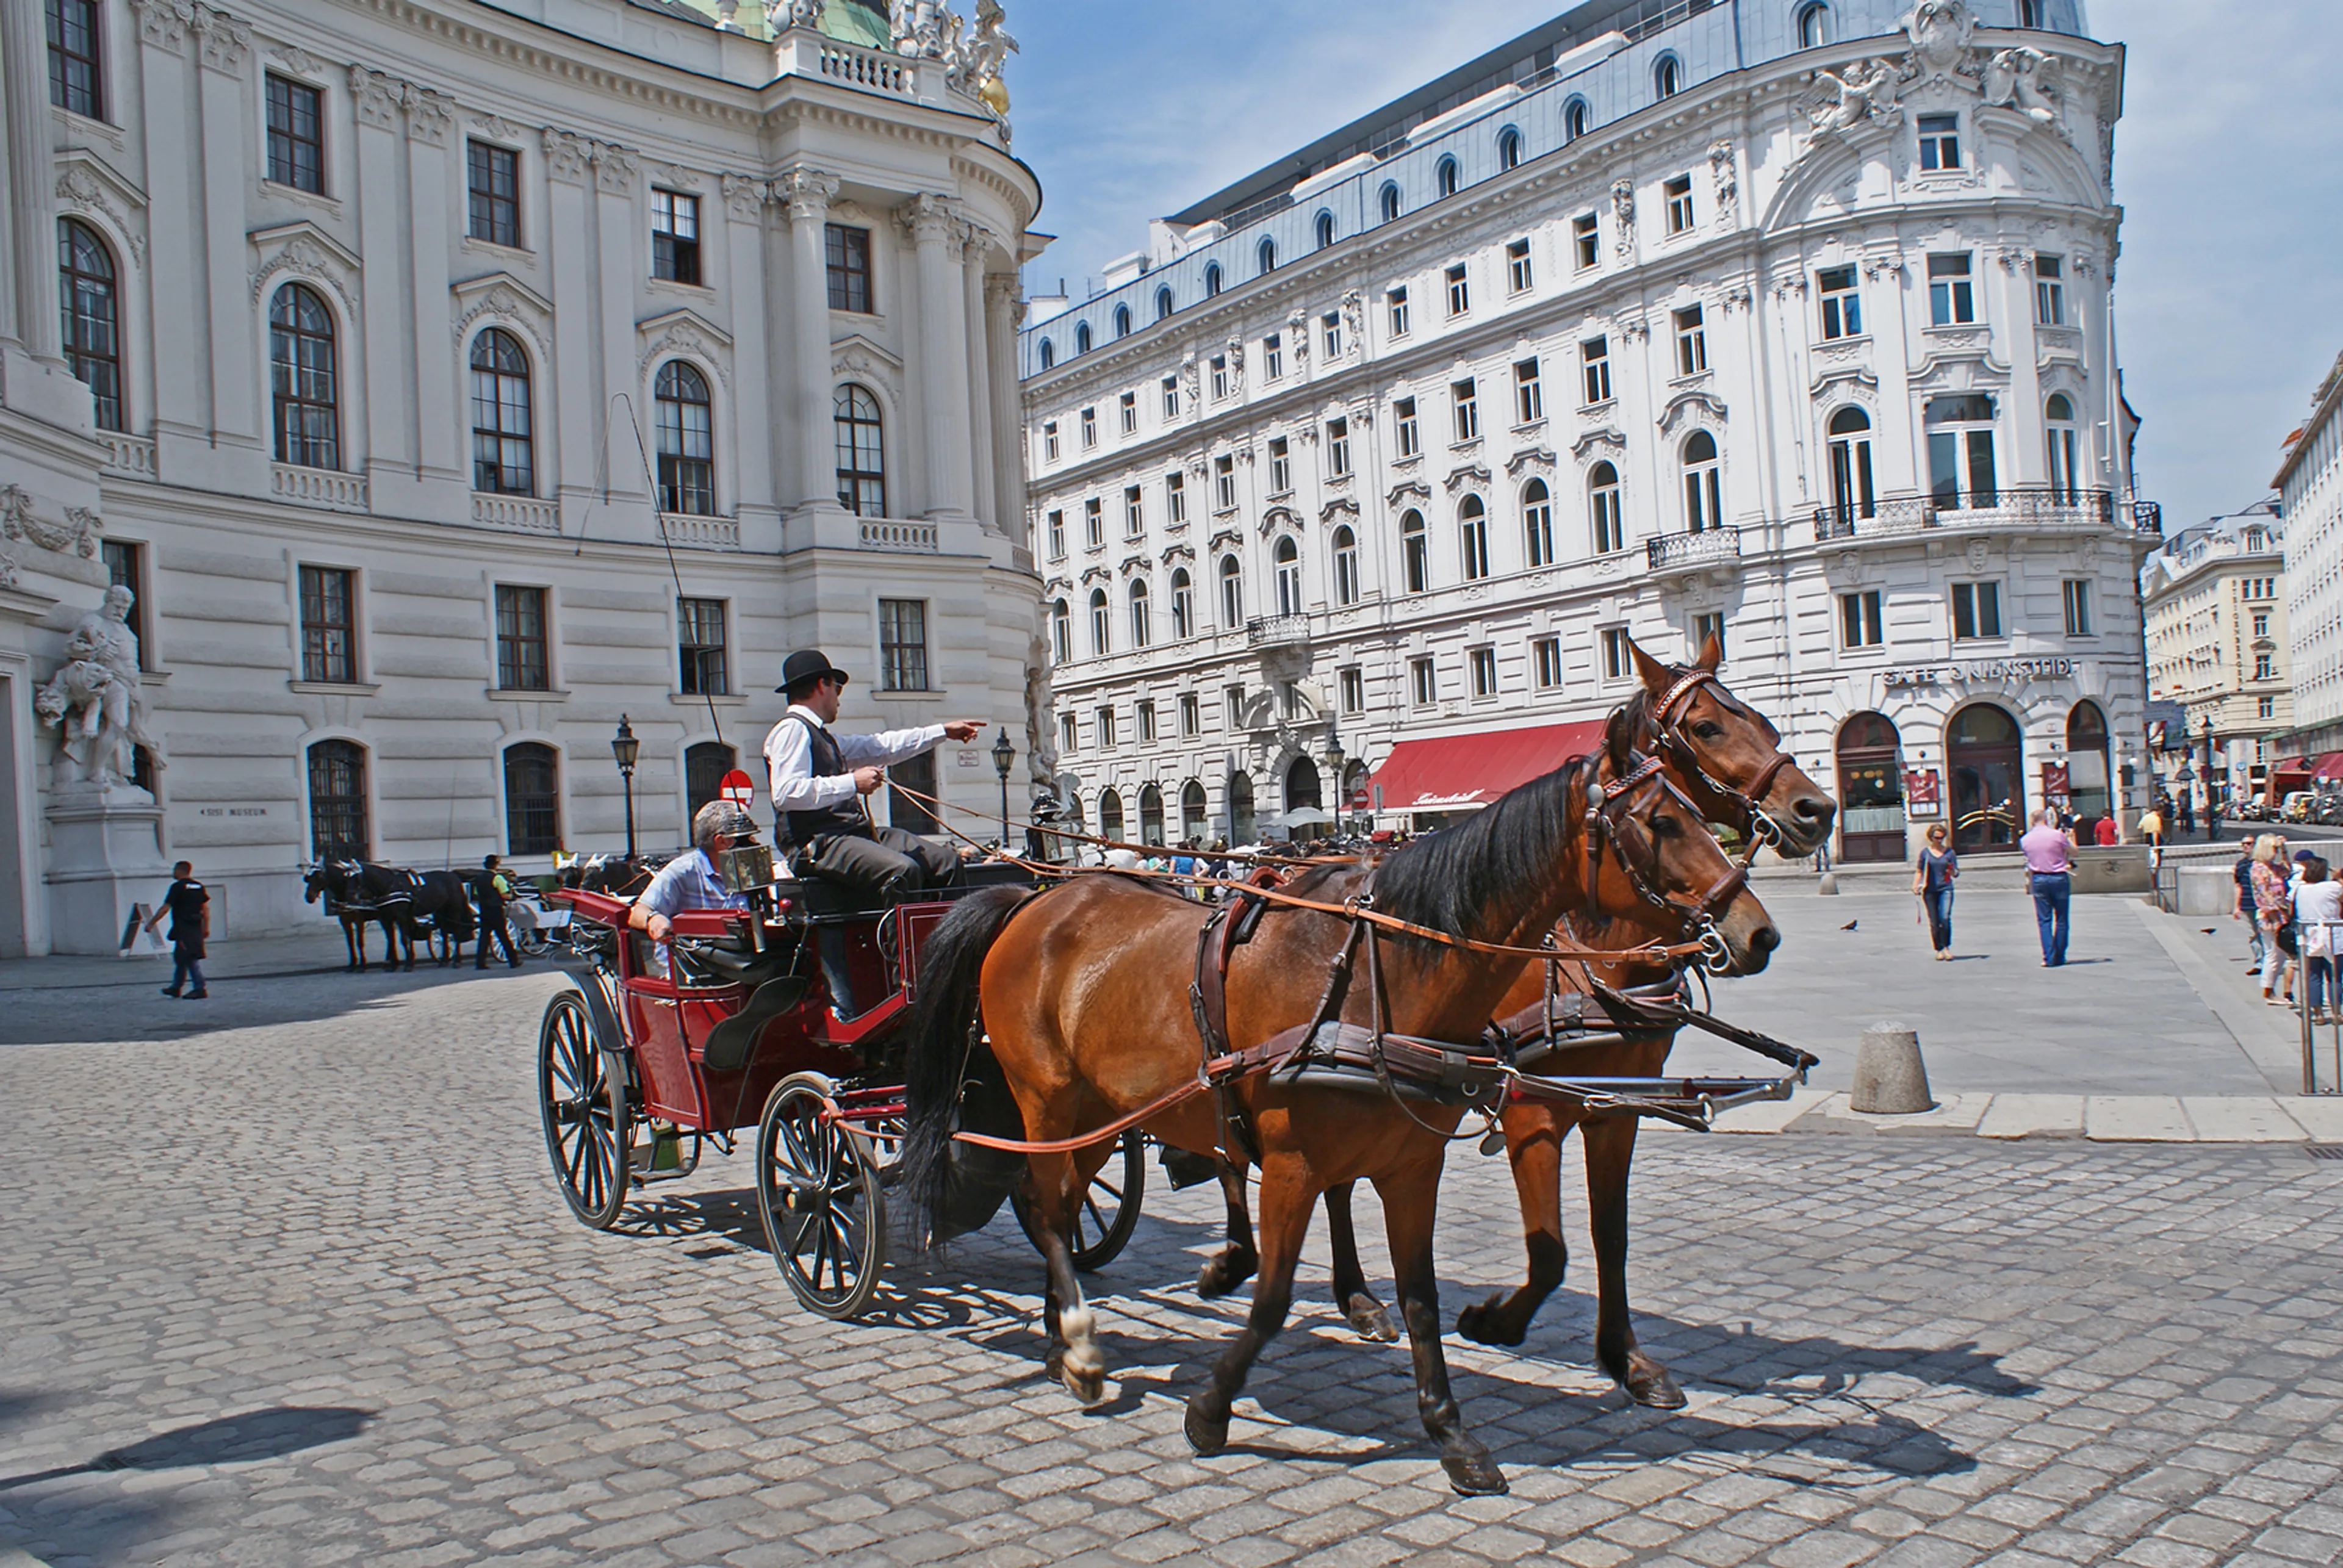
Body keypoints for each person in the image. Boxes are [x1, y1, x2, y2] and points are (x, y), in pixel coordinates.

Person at [763, 649, 982, 1014]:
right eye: (837, 689)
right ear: (822, 685)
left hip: (852, 836)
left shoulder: (825, 738)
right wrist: (852, 782)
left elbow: (883, 747)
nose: (838, 699)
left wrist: (943, 732)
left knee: (946, 862)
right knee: (901, 871)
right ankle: (909, 983)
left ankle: (955, 964)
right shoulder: (792, 731)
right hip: (816, 844)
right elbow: (786, 793)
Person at [627, 800, 757, 976]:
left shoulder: (748, 870)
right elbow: (638, 912)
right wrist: (655, 920)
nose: (755, 843)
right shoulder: (683, 871)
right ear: (722, 842)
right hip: (688, 969)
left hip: (739, 964)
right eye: (747, 837)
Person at [144, 860, 209, 999]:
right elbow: (205, 909)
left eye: (175, 870)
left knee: (189, 958)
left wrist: (151, 923)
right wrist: (206, 928)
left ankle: (200, 988)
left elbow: (166, 908)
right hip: (196, 927)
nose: (173, 873)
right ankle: (176, 987)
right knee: (181, 958)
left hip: (183, 928)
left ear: (179, 871)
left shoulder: (177, 887)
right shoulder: (198, 886)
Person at [2020, 806, 2075, 967]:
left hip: (2039, 878)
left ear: (2032, 821)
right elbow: (2074, 852)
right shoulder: (2057, 835)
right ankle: (2060, 955)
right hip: (2058, 877)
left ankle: (2049, 957)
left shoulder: (2025, 840)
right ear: (2046, 820)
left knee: (2044, 920)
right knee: (2062, 918)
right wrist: (2071, 838)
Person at [2294, 857, 2341, 1025]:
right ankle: (2337, 1012)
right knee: (2335, 977)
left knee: (2314, 976)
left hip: (2310, 937)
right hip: (2332, 937)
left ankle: (2318, 1013)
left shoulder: (2300, 889)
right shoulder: (2333, 887)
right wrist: (2338, 876)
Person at [2253, 835, 2295, 1006]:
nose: (2276, 852)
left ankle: (2270, 989)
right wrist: (2277, 916)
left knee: (2280, 955)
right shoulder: (2259, 869)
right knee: (2273, 954)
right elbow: (2264, 895)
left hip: (2280, 915)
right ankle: (2268, 991)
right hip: (2270, 916)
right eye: (2275, 849)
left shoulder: (2274, 868)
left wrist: (2285, 850)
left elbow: (2288, 870)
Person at [1912, 823, 1959, 960]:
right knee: (1934, 921)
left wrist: (1952, 871)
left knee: (1945, 918)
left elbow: (1956, 873)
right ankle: (1938, 949)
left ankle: (1946, 947)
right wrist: (1915, 885)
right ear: (1931, 837)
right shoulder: (1925, 853)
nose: (1939, 840)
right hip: (1929, 890)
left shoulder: (1949, 853)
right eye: (1937, 838)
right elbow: (1919, 871)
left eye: (1942, 838)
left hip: (1946, 888)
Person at [475, 854, 522, 970]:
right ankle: (513, 960)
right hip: (496, 909)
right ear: (496, 865)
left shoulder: (478, 878)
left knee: (484, 937)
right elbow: (504, 895)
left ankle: (480, 963)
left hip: (484, 909)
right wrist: (513, 896)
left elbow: (476, 894)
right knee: (503, 936)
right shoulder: (498, 878)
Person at [2236, 840, 2266, 977]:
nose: (2246, 846)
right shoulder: (2241, 865)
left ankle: (2270, 961)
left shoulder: (2263, 864)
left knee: (2266, 933)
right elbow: (2238, 886)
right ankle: (2260, 962)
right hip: (2248, 903)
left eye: (2249, 844)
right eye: (2244, 844)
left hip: (2262, 905)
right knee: (2253, 934)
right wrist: (2237, 906)